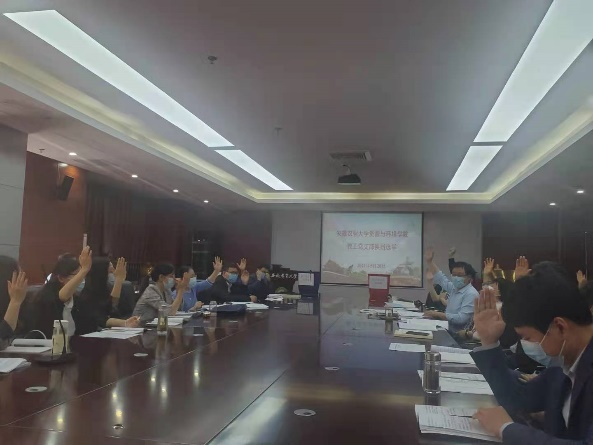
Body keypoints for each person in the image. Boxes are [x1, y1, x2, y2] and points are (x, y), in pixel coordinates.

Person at [471, 264, 593, 443]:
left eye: (527, 337)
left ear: (559, 327)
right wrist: (489, 342)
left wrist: (507, 429)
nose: (527, 343)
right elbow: (518, 397)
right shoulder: (564, 365)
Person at [31, 247, 92, 338]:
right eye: (77, 275)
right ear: (61, 278)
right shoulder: (47, 298)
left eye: (82, 276)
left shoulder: (77, 300)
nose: (81, 280)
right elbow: (62, 297)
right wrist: (84, 270)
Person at [74, 257, 140, 335]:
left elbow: (111, 308)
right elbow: (101, 319)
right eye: (110, 272)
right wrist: (124, 323)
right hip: (88, 335)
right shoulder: (86, 295)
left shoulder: (105, 289)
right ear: (102, 273)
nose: (113, 274)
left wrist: (119, 280)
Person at [423, 249, 478, 331]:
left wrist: (437, 314)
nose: (456, 278)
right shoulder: (454, 288)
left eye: (460, 275)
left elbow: (461, 318)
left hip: (459, 335)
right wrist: (429, 262)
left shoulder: (471, 294)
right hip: (448, 328)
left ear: (469, 278)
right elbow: (441, 278)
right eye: (454, 275)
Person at [0, 256, 28, 349]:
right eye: (19, 278)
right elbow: (1, 340)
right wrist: (15, 302)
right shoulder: (16, 301)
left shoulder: (25, 302)